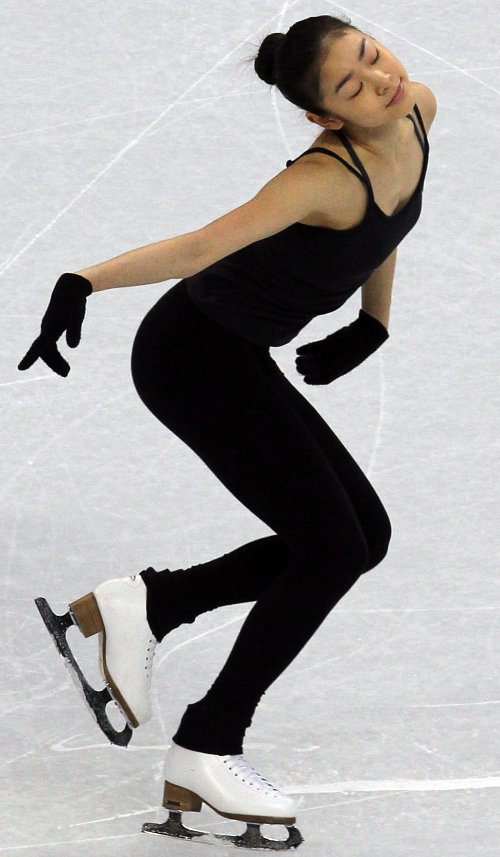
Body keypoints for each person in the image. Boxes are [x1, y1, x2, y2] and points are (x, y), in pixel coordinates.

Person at [19, 14, 436, 846]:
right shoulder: (319, 178)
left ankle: (150, 602)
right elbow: (201, 247)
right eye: (351, 86)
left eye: (371, 54)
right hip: (192, 359)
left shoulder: (419, 108)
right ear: (325, 117)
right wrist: (83, 280)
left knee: (364, 537)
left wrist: (373, 321)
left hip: (236, 353)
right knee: (333, 548)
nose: (379, 79)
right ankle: (208, 743)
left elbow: (390, 218)